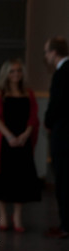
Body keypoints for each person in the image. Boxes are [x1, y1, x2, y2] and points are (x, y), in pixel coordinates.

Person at [0, 58, 41, 232]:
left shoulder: (28, 93)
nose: (16, 74)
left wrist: (25, 135)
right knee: (2, 180)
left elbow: (33, 117)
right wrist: (10, 136)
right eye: (12, 71)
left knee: (21, 180)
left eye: (18, 71)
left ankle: (17, 216)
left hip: (22, 142)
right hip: (4, 141)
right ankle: (2, 216)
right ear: (6, 74)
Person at [43, 36, 69, 239]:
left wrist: (48, 122)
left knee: (63, 182)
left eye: (46, 52)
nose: (45, 56)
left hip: (64, 138)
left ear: (54, 52)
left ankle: (65, 225)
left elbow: (56, 106)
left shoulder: (62, 74)